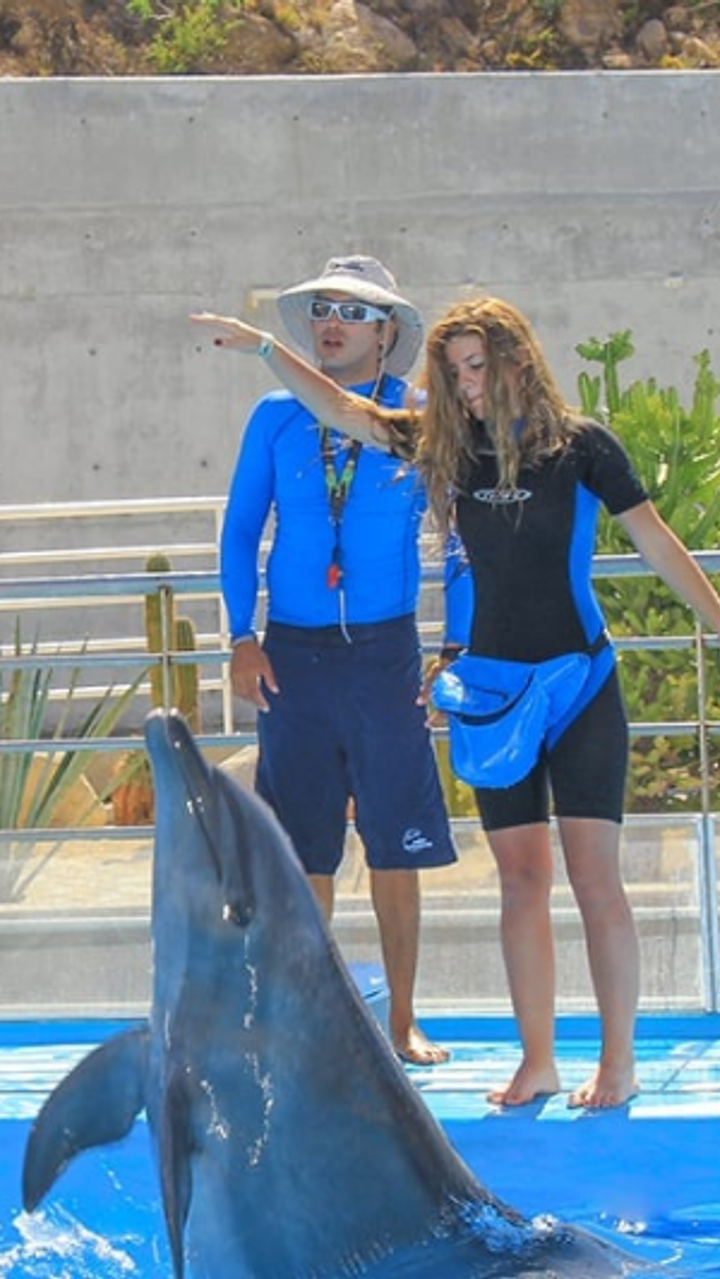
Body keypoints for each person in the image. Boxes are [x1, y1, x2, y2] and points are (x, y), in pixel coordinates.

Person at [192, 296, 720, 1109]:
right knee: (520, 879)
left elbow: (656, 540)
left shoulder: (584, 447)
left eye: (477, 367)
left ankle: (618, 1063)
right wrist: (261, 351)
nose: (464, 385)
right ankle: (538, 1061)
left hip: (579, 683)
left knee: (595, 876)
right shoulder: (448, 452)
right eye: (453, 371)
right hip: (495, 695)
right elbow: (344, 409)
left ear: (517, 361)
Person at [219, 255, 471, 1066]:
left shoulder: (420, 416)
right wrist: (239, 635)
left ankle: (400, 1019)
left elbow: (460, 540)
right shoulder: (274, 416)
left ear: (388, 331)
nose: (332, 321)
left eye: (353, 311)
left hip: (384, 655)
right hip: (293, 654)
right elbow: (238, 532)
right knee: (302, 852)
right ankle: (308, 1024)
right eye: (322, 307)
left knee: (397, 848)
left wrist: (454, 647)